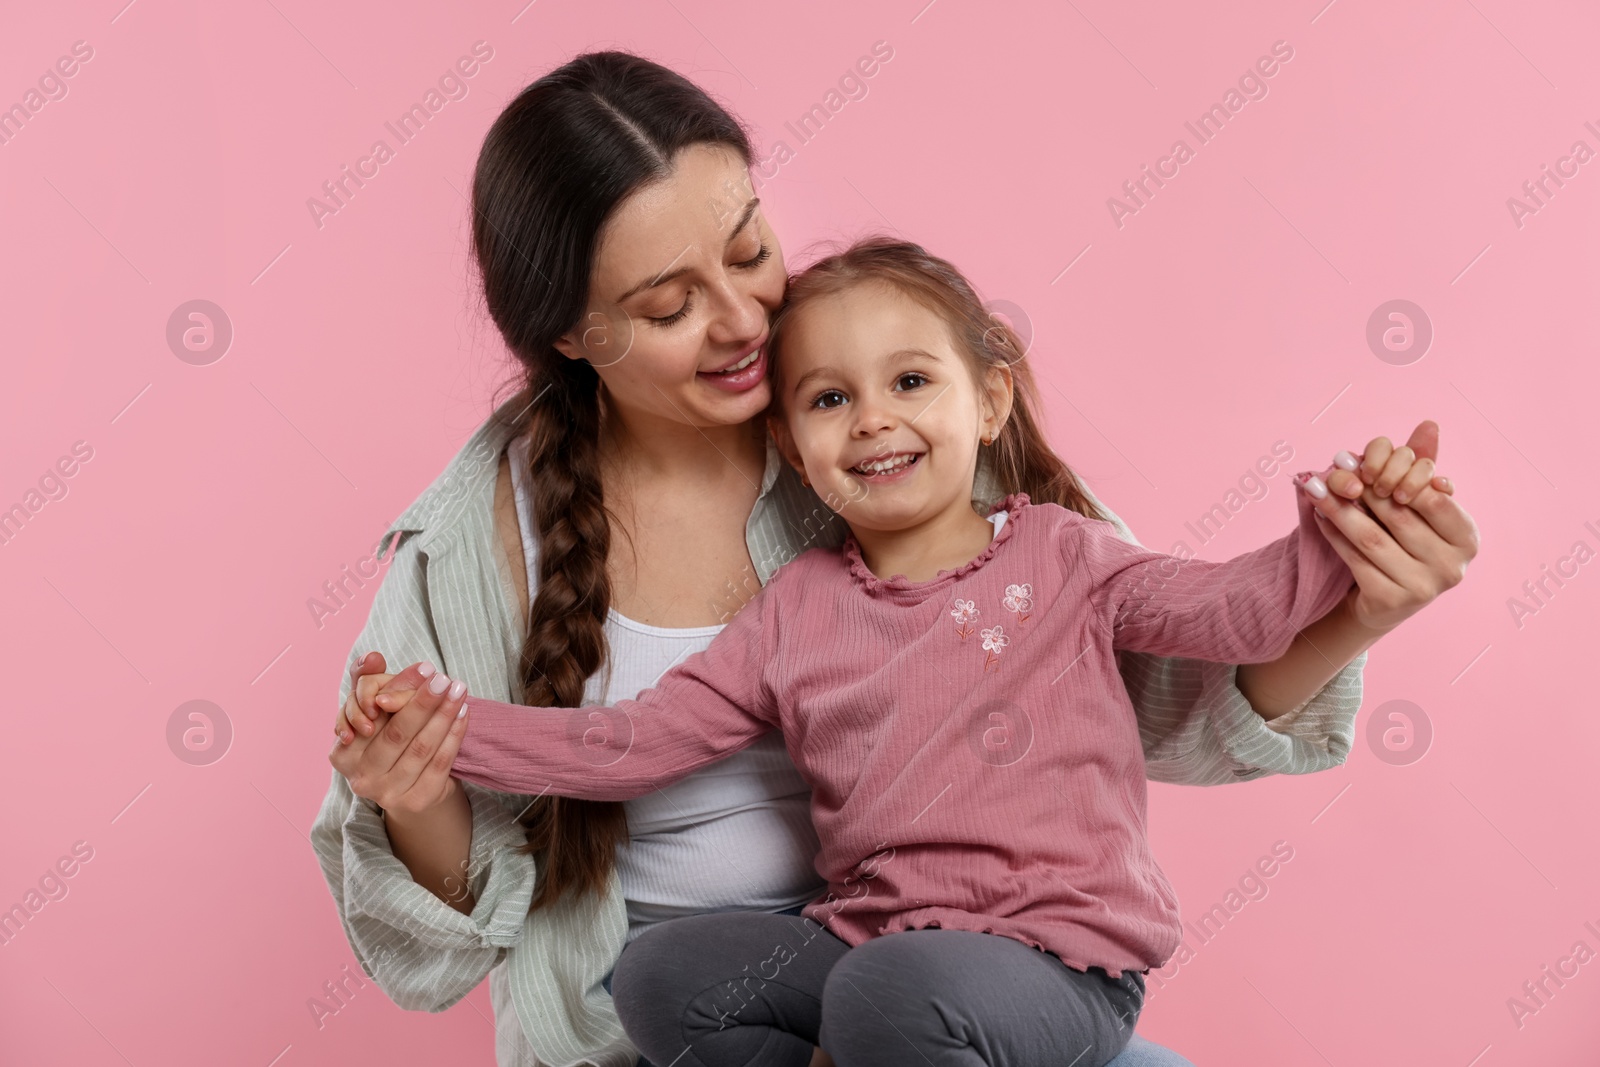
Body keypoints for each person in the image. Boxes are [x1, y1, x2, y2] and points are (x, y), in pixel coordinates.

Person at [316, 51, 1478, 1067]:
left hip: (1000, 970)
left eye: (749, 249)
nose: (740, 323)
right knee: (674, 974)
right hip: (750, 992)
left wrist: (1350, 572)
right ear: (571, 337)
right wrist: (434, 753)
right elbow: (626, 748)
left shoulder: (939, 469)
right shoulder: (484, 540)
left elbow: (1191, 670)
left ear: (984, 390)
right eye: (670, 304)